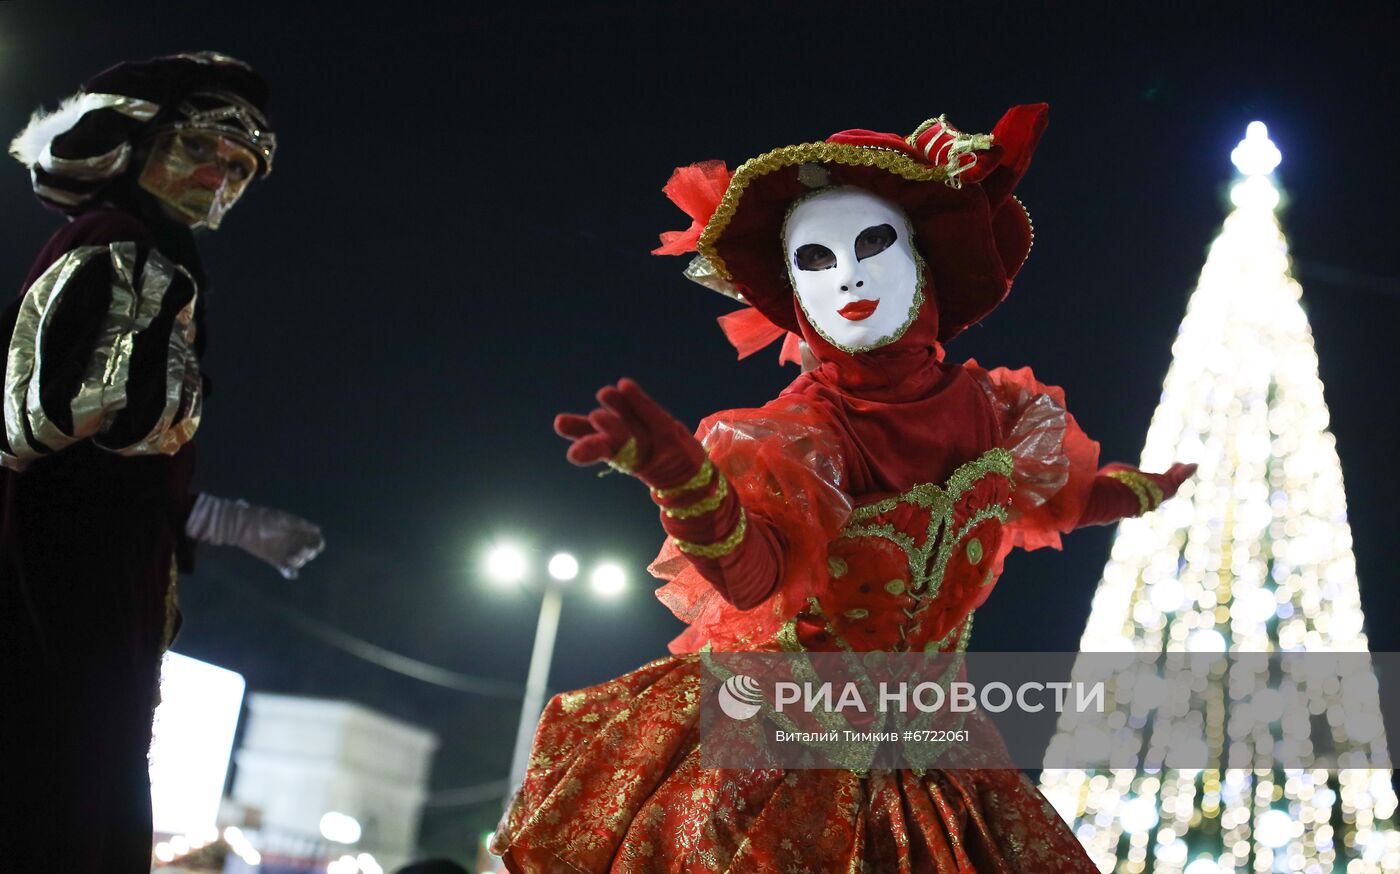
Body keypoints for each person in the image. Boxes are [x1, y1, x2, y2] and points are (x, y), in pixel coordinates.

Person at [491, 105, 1195, 872]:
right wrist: (682, 479)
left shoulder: (999, 413)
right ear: (794, 293)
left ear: (923, 258)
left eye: (870, 245)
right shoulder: (802, 432)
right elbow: (755, 577)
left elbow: (1060, 497)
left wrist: (1147, 489)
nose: (848, 275)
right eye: (815, 262)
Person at [0, 52, 325, 872]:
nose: (221, 177)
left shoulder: (145, 252)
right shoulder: (123, 246)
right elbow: (46, 428)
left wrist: (210, 517)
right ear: (135, 143)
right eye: (203, 149)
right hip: (59, 597)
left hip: (88, 583)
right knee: (60, 793)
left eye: (243, 169)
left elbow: (115, 468)